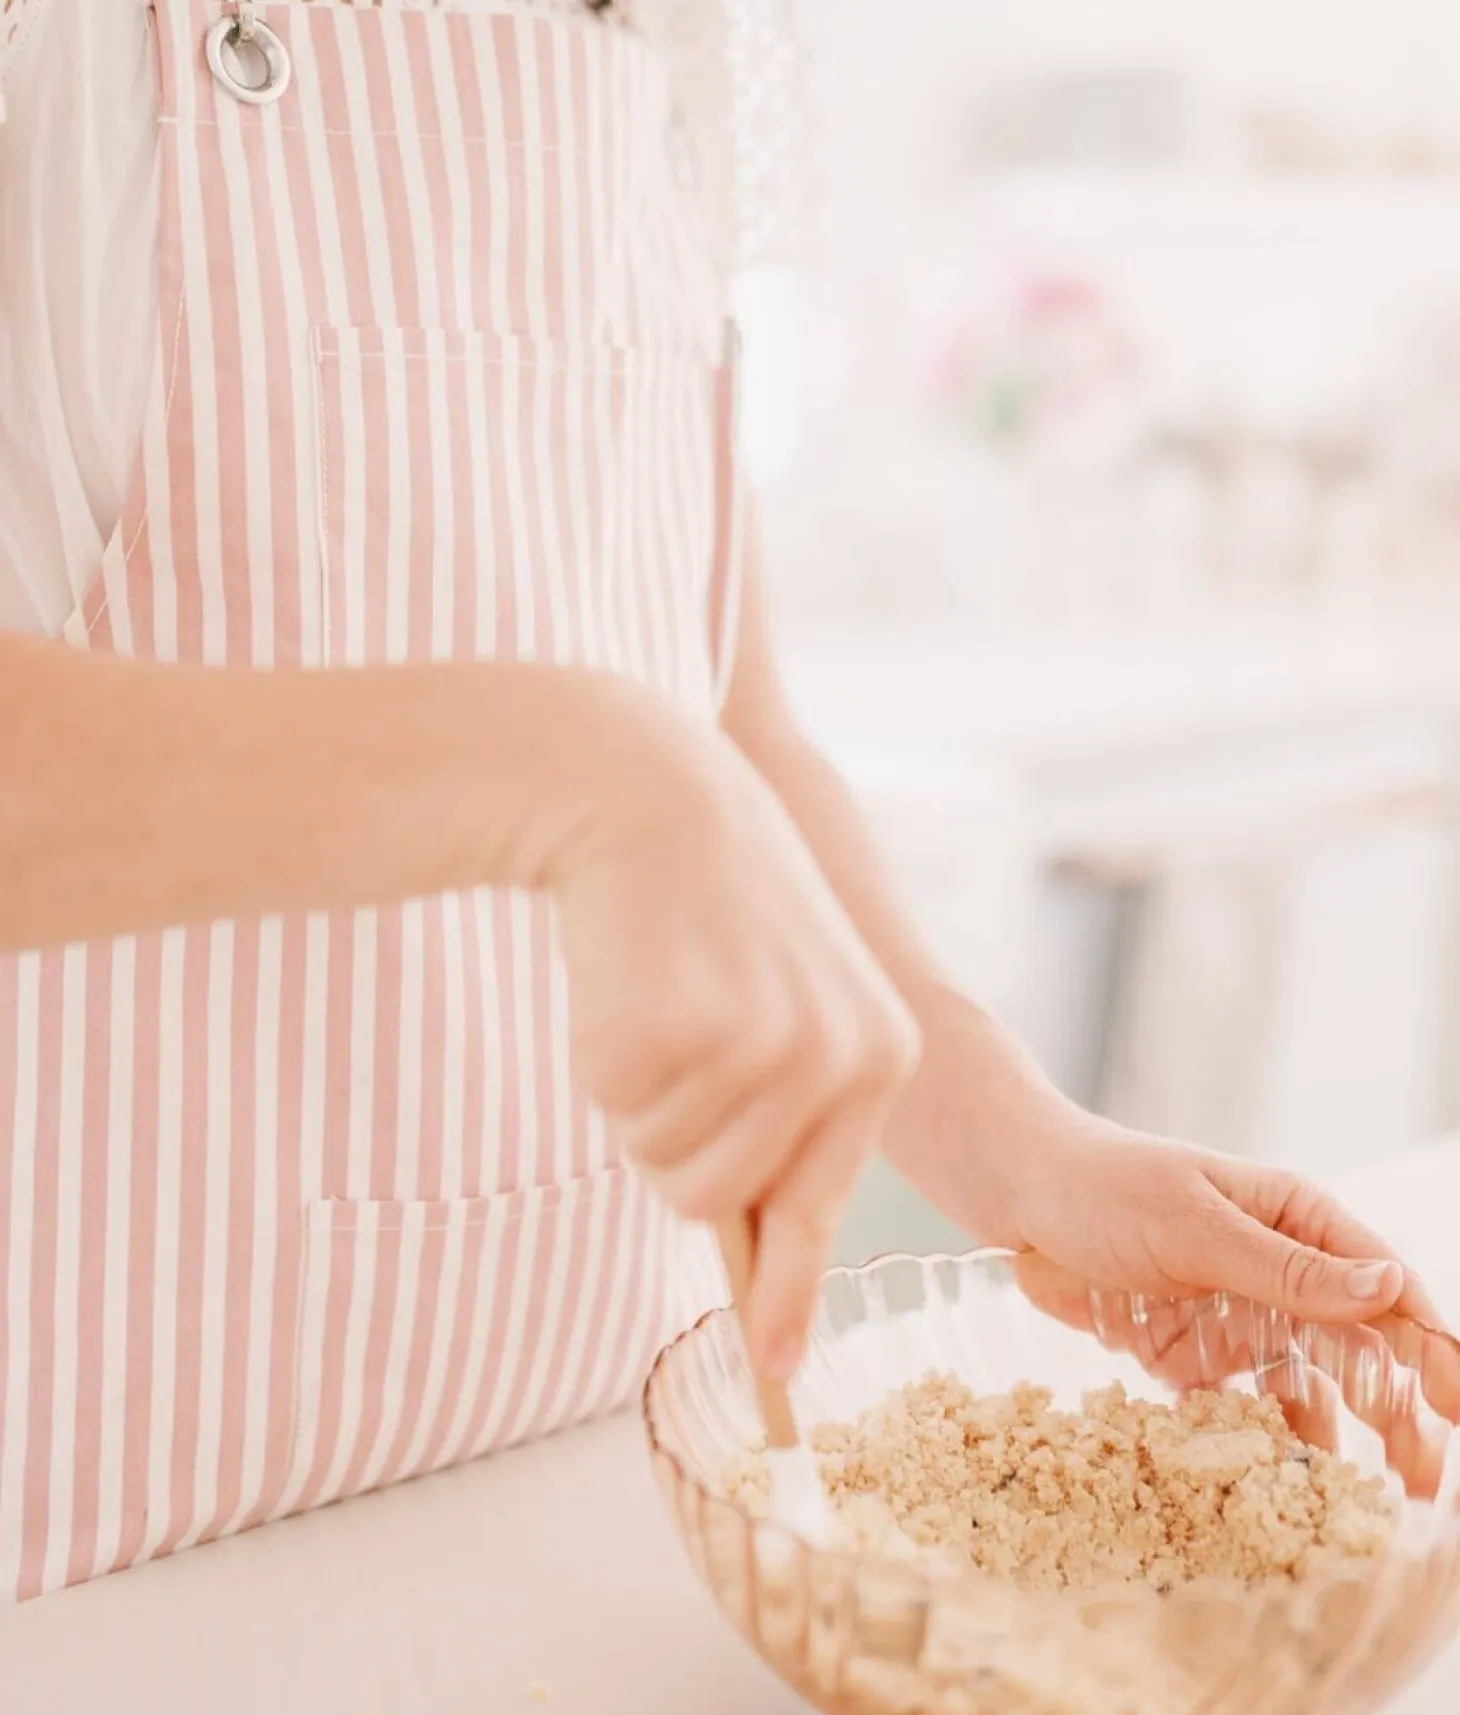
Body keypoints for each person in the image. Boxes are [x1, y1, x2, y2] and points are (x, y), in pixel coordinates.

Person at [0, 0, 1423, 1606]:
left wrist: (1027, 1148)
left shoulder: (663, 53)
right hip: (85, 1593)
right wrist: (575, 768)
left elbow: (726, 724)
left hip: (598, 1510)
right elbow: (640, 760)